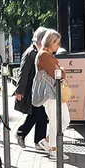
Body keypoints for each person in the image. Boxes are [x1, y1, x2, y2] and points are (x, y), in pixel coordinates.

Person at [35, 30, 70, 159]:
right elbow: (57, 73)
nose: (58, 46)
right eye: (57, 42)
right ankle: (54, 149)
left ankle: (48, 142)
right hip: (50, 93)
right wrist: (62, 70)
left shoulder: (46, 54)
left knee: (64, 120)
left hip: (54, 92)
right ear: (51, 42)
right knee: (57, 121)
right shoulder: (44, 55)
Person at [14, 26, 48, 150]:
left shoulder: (38, 52)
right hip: (32, 90)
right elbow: (23, 72)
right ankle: (21, 133)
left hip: (39, 89)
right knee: (36, 114)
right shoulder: (30, 53)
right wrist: (20, 91)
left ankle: (39, 141)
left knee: (42, 115)